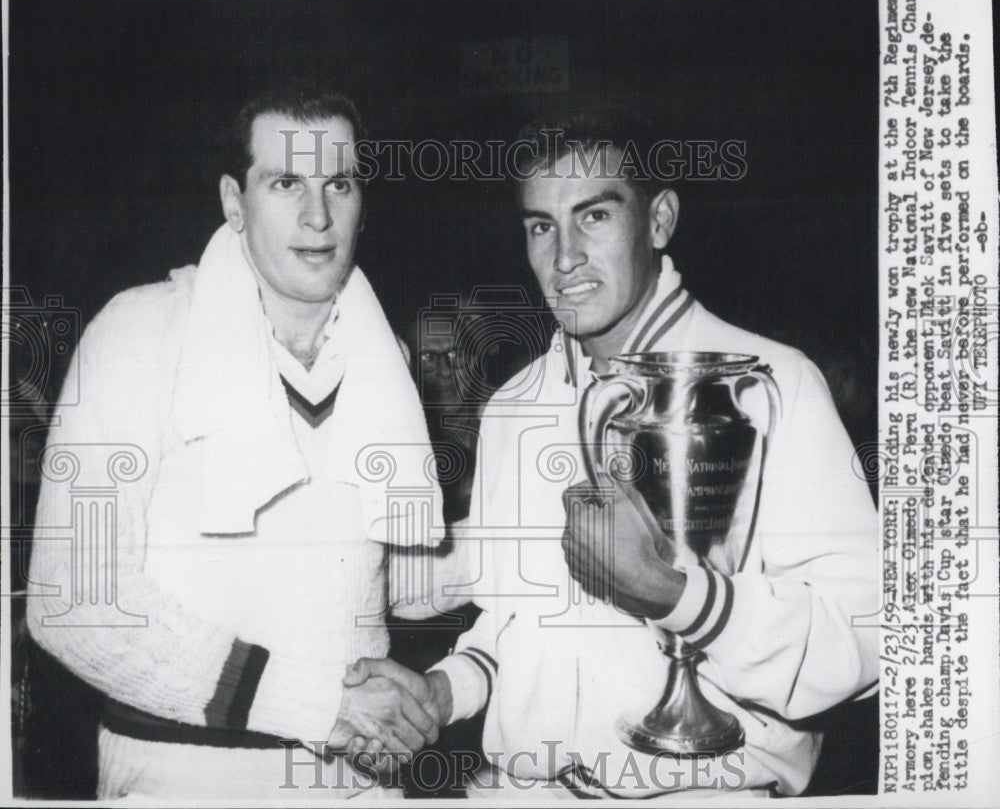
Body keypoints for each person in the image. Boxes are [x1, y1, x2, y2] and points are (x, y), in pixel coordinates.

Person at [350, 109, 879, 798]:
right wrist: (441, 691)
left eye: (594, 216)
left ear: (659, 221)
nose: (563, 256)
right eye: (541, 225)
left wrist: (679, 597)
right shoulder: (513, 406)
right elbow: (514, 624)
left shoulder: (771, 386)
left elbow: (869, 642)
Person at [26, 83, 446, 799]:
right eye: (286, 182)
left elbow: (390, 579)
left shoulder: (380, 358)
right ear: (232, 200)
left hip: (358, 779)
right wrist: (323, 704)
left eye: (338, 183)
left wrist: (560, 541)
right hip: (187, 772)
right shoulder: (139, 334)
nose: (318, 216)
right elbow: (74, 602)